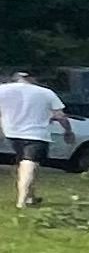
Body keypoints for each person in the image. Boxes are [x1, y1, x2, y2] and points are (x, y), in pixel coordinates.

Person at [0, 69, 65, 210]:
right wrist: (68, 131)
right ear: (32, 78)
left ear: (15, 78)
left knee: (24, 165)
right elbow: (60, 115)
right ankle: (22, 201)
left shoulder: (3, 89)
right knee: (29, 165)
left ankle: (31, 196)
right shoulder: (46, 93)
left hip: (11, 133)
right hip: (36, 135)